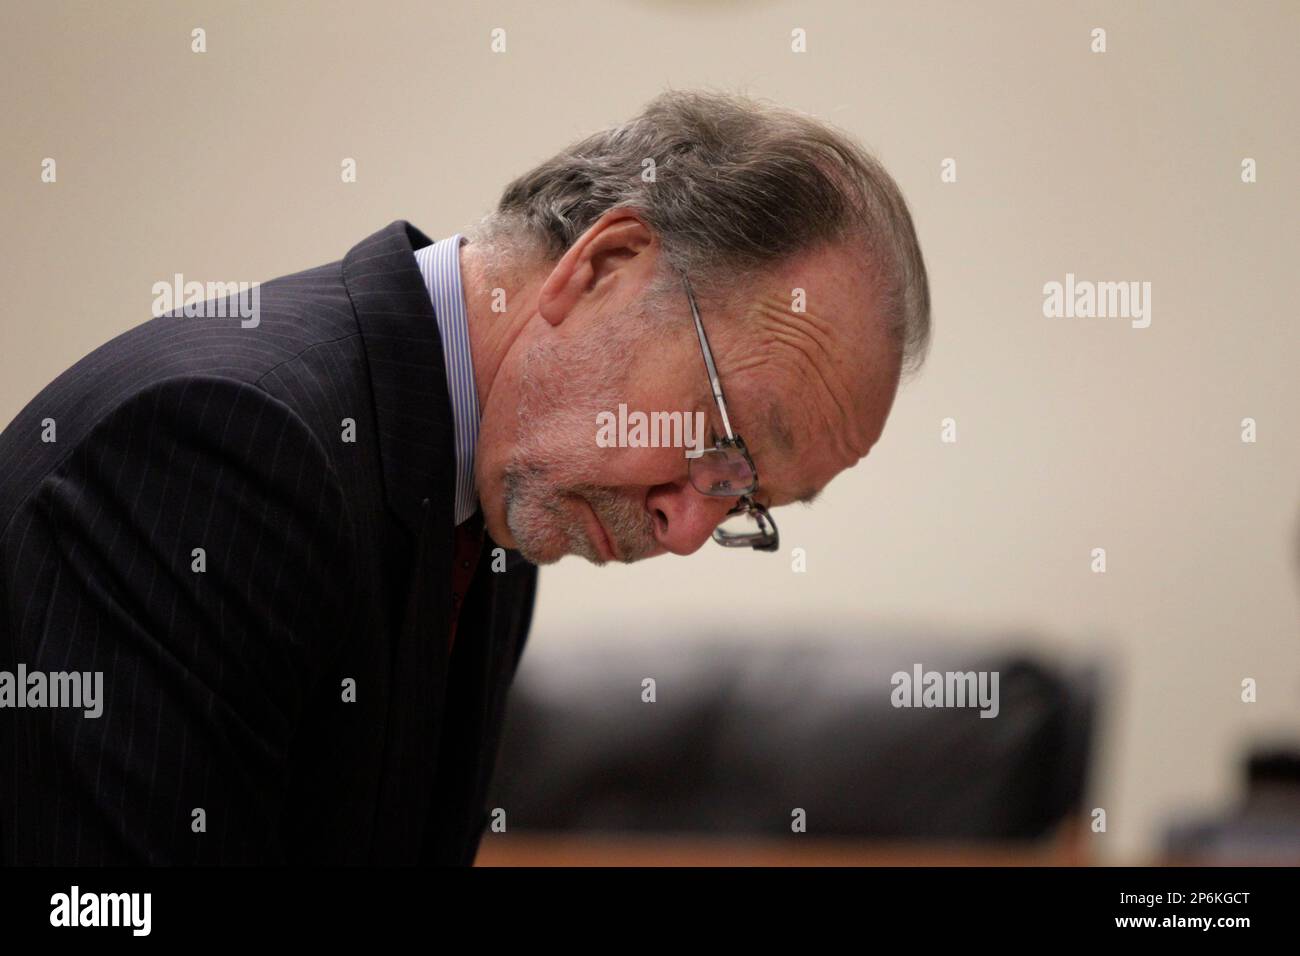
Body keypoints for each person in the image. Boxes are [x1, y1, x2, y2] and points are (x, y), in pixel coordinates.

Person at [0, 89, 930, 864]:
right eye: (718, 436)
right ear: (603, 265)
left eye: (745, 501)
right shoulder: (227, 442)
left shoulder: (499, 497)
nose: (686, 529)